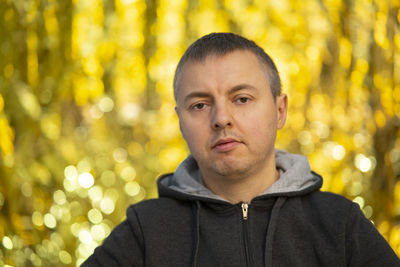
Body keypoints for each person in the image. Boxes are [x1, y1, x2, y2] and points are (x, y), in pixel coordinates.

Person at [82, 33, 400, 266]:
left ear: (280, 110)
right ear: (180, 121)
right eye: (200, 105)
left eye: (242, 99)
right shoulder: (146, 231)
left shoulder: (338, 223)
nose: (221, 119)